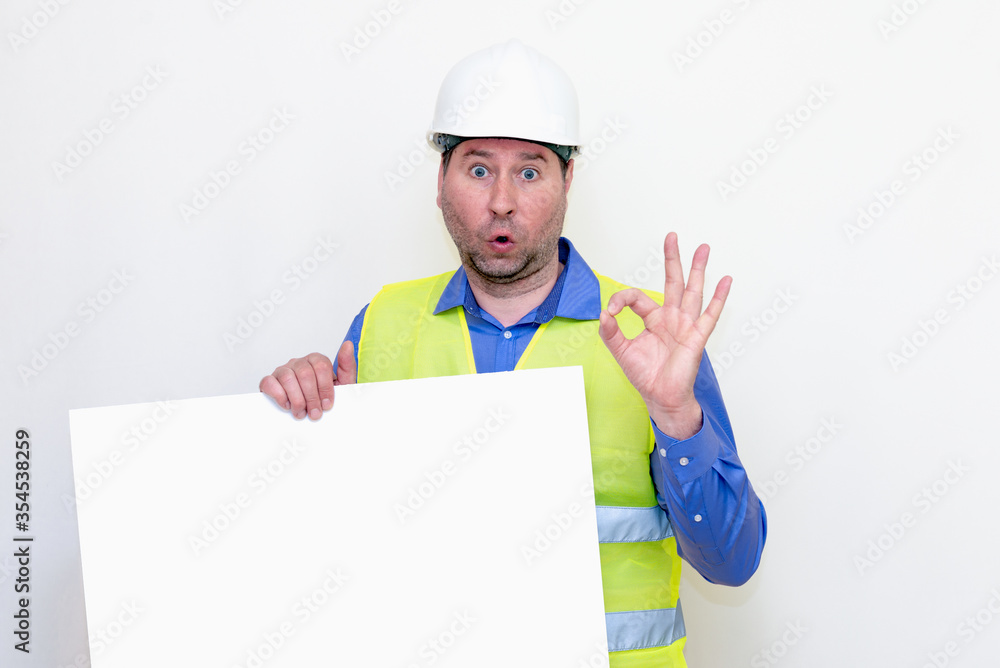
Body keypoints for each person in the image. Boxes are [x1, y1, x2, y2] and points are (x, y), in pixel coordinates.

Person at [260, 39, 766, 667]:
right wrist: (293, 417)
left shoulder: (653, 338)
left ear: (567, 181)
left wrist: (677, 421)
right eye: (478, 169)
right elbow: (326, 556)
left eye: (529, 171)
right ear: (440, 182)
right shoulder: (380, 325)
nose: (502, 200)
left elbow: (732, 563)